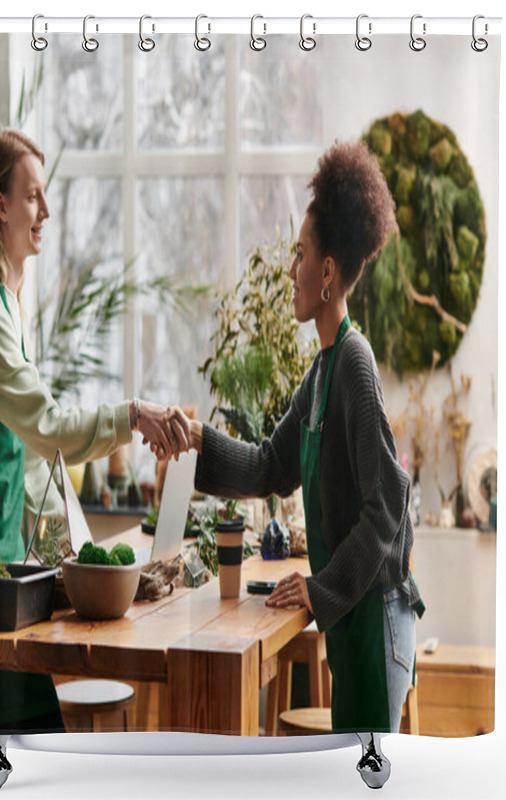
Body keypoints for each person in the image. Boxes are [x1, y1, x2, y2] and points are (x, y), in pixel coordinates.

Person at [0, 128, 187, 735]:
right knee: (17, 737)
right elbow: (46, 426)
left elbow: (30, 445)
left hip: (0, 554)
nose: (45, 212)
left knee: (29, 734)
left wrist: (67, 542)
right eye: (34, 196)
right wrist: (131, 415)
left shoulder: (8, 301)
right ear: (1, 204)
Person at [162, 140, 425, 734]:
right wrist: (198, 438)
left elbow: (389, 501)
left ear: (327, 272)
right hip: (354, 618)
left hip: (377, 615)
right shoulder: (323, 369)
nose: (291, 270)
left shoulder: (354, 362)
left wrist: (319, 587)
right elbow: (267, 467)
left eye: (300, 255)